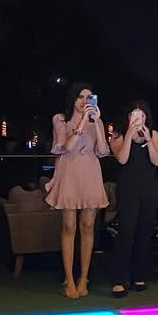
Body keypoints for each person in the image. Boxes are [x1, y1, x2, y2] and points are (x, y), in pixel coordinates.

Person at [46, 81, 109, 298]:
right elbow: (68, 146)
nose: (84, 102)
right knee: (69, 225)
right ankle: (69, 279)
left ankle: (84, 277)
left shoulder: (96, 121)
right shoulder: (60, 119)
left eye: (89, 97)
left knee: (88, 225)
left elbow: (102, 151)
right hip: (69, 171)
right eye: (81, 97)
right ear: (73, 99)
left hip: (90, 171)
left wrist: (97, 123)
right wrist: (83, 121)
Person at [108, 100, 158, 298]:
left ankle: (139, 275)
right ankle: (119, 279)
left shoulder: (153, 134)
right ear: (128, 117)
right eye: (134, 116)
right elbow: (122, 159)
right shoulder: (118, 136)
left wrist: (148, 139)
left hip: (149, 187)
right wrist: (130, 135)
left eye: (142, 116)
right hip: (128, 188)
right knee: (126, 232)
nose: (138, 120)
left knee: (144, 231)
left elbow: (157, 160)